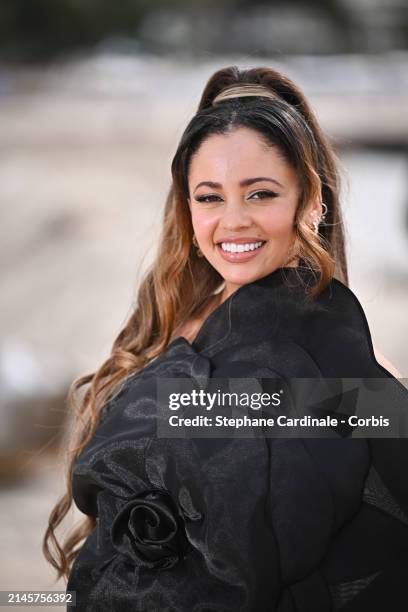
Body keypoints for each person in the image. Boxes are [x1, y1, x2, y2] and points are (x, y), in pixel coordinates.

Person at [43, 65, 408, 611]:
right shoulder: (177, 313)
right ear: (188, 209)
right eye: (210, 197)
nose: (233, 221)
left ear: (312, 201)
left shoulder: (334, 346)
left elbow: (379, 433)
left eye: (260, 194)